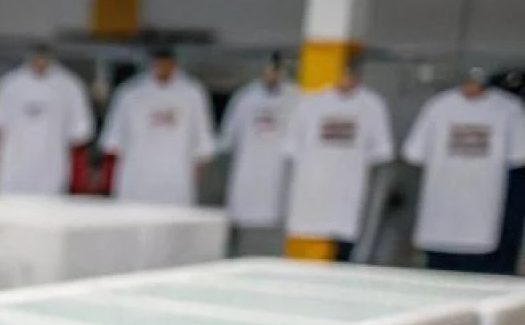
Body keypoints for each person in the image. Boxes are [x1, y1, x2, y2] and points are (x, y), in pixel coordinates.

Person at [402, 68, 525, 273]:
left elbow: (518, 157)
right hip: (440, 220)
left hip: (483, 223)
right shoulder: (439, 106)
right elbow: (413, 153)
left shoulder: (509, 109)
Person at [282, 58, 392, 262]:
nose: (347, 79)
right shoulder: (310, 103)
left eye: (352, 74)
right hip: (312, 192)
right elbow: (291, 147)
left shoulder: (372, 105)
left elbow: (380, 151)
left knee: (343, 247)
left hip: (348, 193)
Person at [98, 48, 216, 206]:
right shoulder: (130, 93)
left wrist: (197, 170)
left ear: (174, 65)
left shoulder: (193, 93)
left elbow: (203, 145)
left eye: (167, 64)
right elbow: (113, 143)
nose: (163, 68)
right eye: (159, 64)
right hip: (137, 179)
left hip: (176, 178)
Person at [0, 43, 94, 198]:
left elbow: (80, 134)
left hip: (51, 174)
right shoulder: (9, 84)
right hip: (11, 174)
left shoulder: (70, 86)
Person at [219, 53, 299, 246]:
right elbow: (228, 137)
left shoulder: (298, 97)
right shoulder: (245, 97)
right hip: (249, 170)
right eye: (270, 70)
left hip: (281, 174)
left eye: (277, 71)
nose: (273, 75)